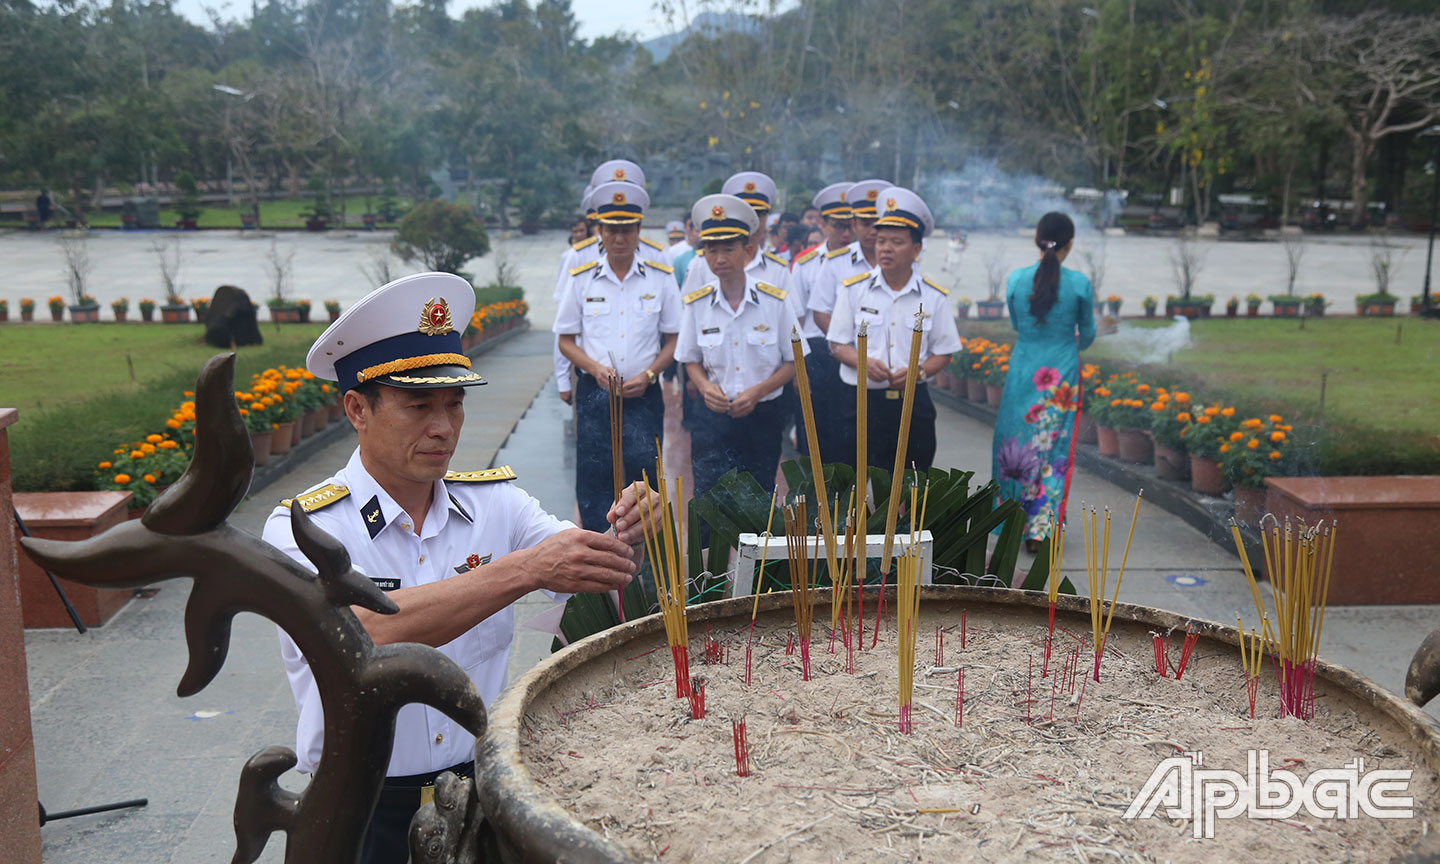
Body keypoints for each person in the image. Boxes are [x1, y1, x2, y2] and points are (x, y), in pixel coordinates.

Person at [263, 272, 652, 864]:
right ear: (356, 409)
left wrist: (631, 531)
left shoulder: (495, 504)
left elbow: (587, 559)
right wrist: (524, 571)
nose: (443, 428)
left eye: (454, 402)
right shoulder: (305, 529)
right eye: (418, 405)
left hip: (474, 793)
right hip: (357, 808)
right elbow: (363, 637)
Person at [554, 180, 681, 532]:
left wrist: (652, 374)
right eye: (612, 230)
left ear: (639, 230)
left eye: (627, 230)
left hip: (644, 394)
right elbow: (565, 339)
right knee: (595, 477)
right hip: (596, 394)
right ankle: (598, 561)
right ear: (600, 231)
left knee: (645, 478)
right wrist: (594, 369)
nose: (619, 238)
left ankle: (646, 568)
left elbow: (674, 338)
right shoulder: (582, 278)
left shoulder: (660, 277)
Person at [677, 195, 806, 498]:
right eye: (711, 250)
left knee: (759, 499)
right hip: (711, 416)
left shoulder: (775, 301)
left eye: (728, 249)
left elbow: (793, 362)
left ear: (747, 251)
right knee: (709, 501)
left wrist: (757, 392)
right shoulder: (698, 304)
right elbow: (690, 359)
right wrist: (705, 387)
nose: (719, 258)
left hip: (762, 415)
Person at [827, 188, 961, 473]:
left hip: (912, 404)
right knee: (857, 485)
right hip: (861, 404)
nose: (885, 248)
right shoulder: (854, 290)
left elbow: (944, 352)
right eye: (881, 241)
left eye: (896, 242)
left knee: (912, 486)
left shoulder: (934, 296)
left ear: (916, 249)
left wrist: (919, 372)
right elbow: (837, 344)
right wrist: (862, 362)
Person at [992, 212, 1095, 551]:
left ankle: (1010, 522)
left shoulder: (1017, 280)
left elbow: (1017, 327)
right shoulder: (1079, 284)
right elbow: (1088, 336)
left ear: (1037, 239)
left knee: (1017, 443)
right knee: (1053, 449)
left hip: (1024, 371)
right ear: (1070, 243)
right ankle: (1040, 529)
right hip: (1060, 379)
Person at [786, 181, 855, 465]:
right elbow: (794, 323)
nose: (847, 233)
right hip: (818, 357)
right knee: (817, 441)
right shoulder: (805, 264)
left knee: (855, 438)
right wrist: (796, 372)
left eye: (852, 225)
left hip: (859, 355)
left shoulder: (874, 263)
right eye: (839, 225)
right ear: (823, 223)